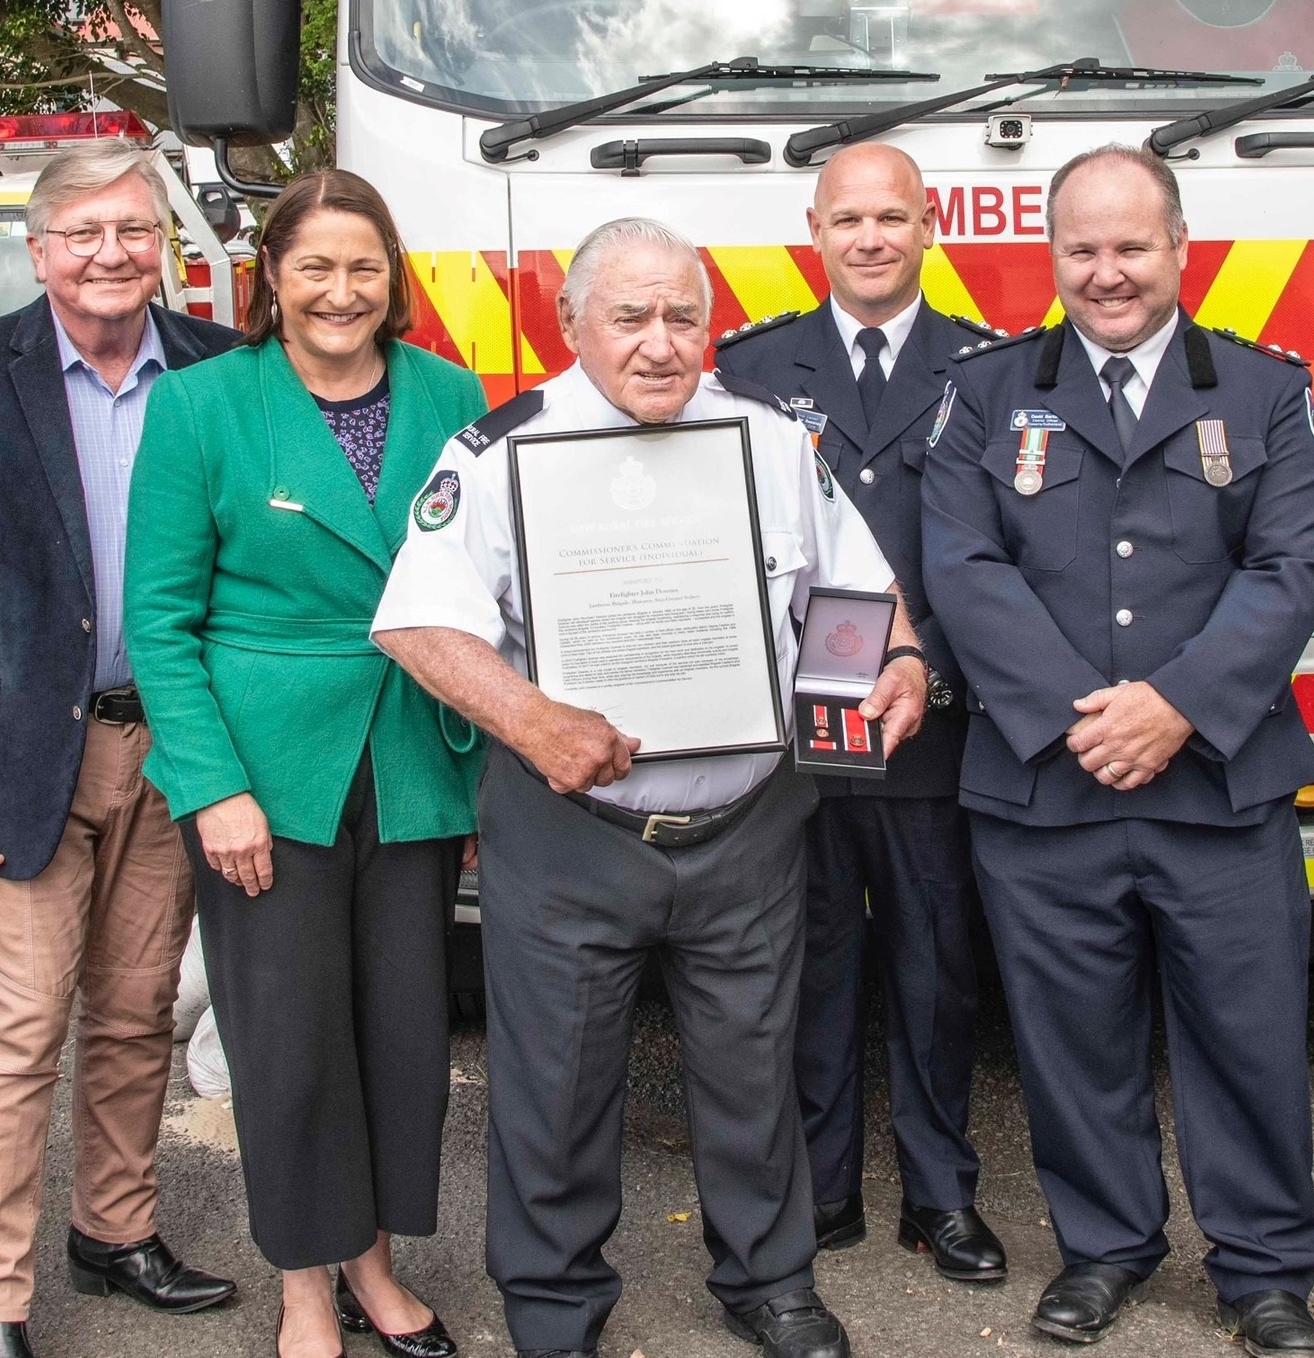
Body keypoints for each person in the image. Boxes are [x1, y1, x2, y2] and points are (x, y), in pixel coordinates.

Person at [373, 217, 929, 1358]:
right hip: (571, 826)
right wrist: (531, 718)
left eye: (682, 315)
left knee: (751, 1063)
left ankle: (769, 1280)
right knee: (555, 1080)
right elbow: (418, 622)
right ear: (568, 324)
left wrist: (900, 660)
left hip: (746, 824)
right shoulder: (498, 452)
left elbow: (854, 588)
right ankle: (553, 1300)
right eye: (629, 316)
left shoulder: (771, 440)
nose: (659, 342)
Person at [922, 144, 1314, 1355]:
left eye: (1129, 247)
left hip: (1215, 782)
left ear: (1178, 250)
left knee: (1246, 1034)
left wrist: (1177, 706)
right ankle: (1104, 1246)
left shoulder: (1262, 391)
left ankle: (1261, 1269)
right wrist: (1080, 714)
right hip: (1046, 785)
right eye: (1080, 250)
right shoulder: (988, 393)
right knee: (1068, 1035)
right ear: (1052, 259)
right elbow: (961, 563)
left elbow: (1291, 564)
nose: (1105, 273)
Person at [0, 142, 240, 1358]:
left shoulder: (216, 365)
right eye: (81, 233)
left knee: (138, 1008)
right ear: (39, 253)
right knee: (16, 1028)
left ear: (165, 248)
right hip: (23, 754)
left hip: (173, 743)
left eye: (133, 231)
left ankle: (115, 1227)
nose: (109, 254)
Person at [122, 168, 488, 1358]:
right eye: (313, 266)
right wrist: (212, 785)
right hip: (266, 773)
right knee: (287, 1038)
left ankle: (375, 1263)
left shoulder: (450, 392)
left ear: (394, 279)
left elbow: (481, 590)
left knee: (397, 1030)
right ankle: (300, 1283)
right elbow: (160, 623)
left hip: (415, 754)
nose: (340, 290)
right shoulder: (201, 407)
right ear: (268, 279)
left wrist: (488, 760)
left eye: (363, 267)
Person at [715, 143, 1003, 1282]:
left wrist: (927, 670)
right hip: (793, 725)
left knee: (936, 962)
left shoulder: (986, 365)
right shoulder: (745, 366)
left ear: (929, 229)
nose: (870, 237)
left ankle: (938, 1195)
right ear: (814, 230)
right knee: (808, 954)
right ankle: (820, 1185)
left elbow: (998, 551)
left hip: (930, 716)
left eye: (892, 217)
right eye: (849, 219)